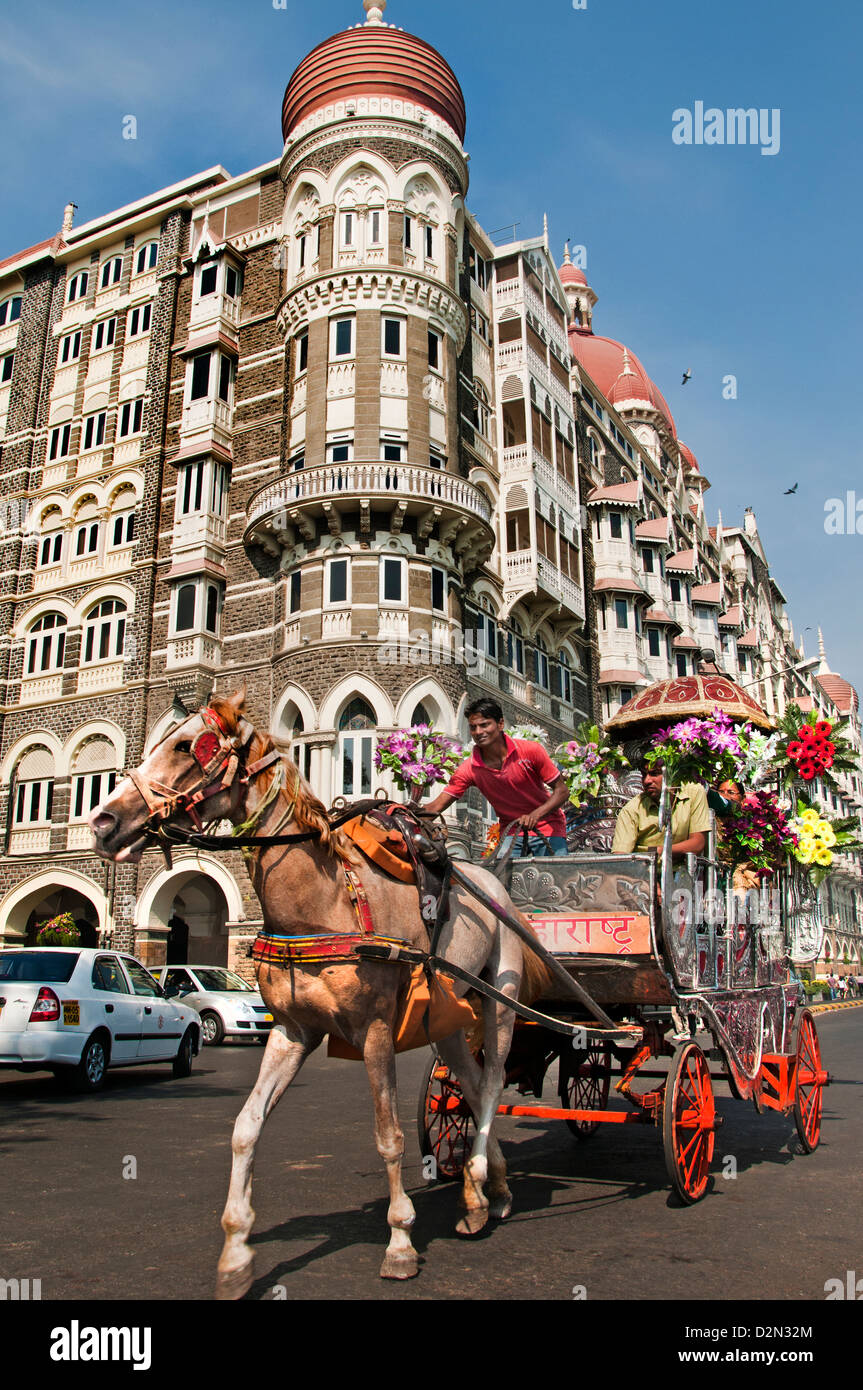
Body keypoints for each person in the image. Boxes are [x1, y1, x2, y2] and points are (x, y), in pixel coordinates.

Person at [423, 698, 570, 857]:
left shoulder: (530, 751)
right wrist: (402, 814)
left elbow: (562, 791)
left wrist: (535, 815)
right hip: (511, 831)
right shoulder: (469, 768)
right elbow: (436, 806)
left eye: (484, 725)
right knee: (498, 878)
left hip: (549, 827)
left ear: (500, 724)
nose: (478, 732)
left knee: (557, 878)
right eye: (473, 727)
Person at [611, 755, 711, 858]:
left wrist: (659, 851)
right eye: (644, 775)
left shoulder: (694, 792)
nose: (647, 781)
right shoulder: (632, 809)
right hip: (644, 870)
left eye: (654, 774)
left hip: (684, 870)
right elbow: (620, 858)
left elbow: (698, 843)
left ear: (671, 774)